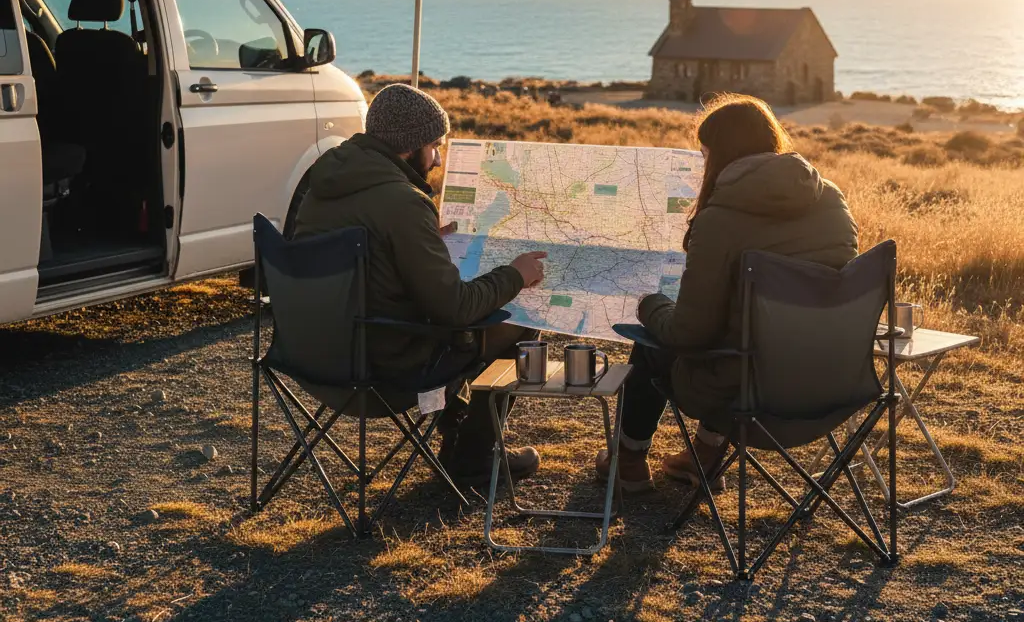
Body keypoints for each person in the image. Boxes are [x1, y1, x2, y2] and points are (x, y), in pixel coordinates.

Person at [596, 95, 858, 493]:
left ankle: (629, 462)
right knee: (740, 332)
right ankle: (704, 455)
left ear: (720, 156)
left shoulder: (720, 221)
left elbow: (689, 334)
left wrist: (651, 305)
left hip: (745, 391)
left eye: (704, 155)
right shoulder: (831, 199)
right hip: (826, 381)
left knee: (652, 340)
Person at [293, 83, 546, 481]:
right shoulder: (402, 201)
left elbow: (366, 254)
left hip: (311, 352)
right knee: (520, 319)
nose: (439, 158)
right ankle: (474, 454)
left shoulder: (321, 187)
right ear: (410, 147)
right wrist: (516, 274)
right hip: (384, 366)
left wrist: (421, 241)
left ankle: (456, 431)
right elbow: (455, 308)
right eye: (435, 145)